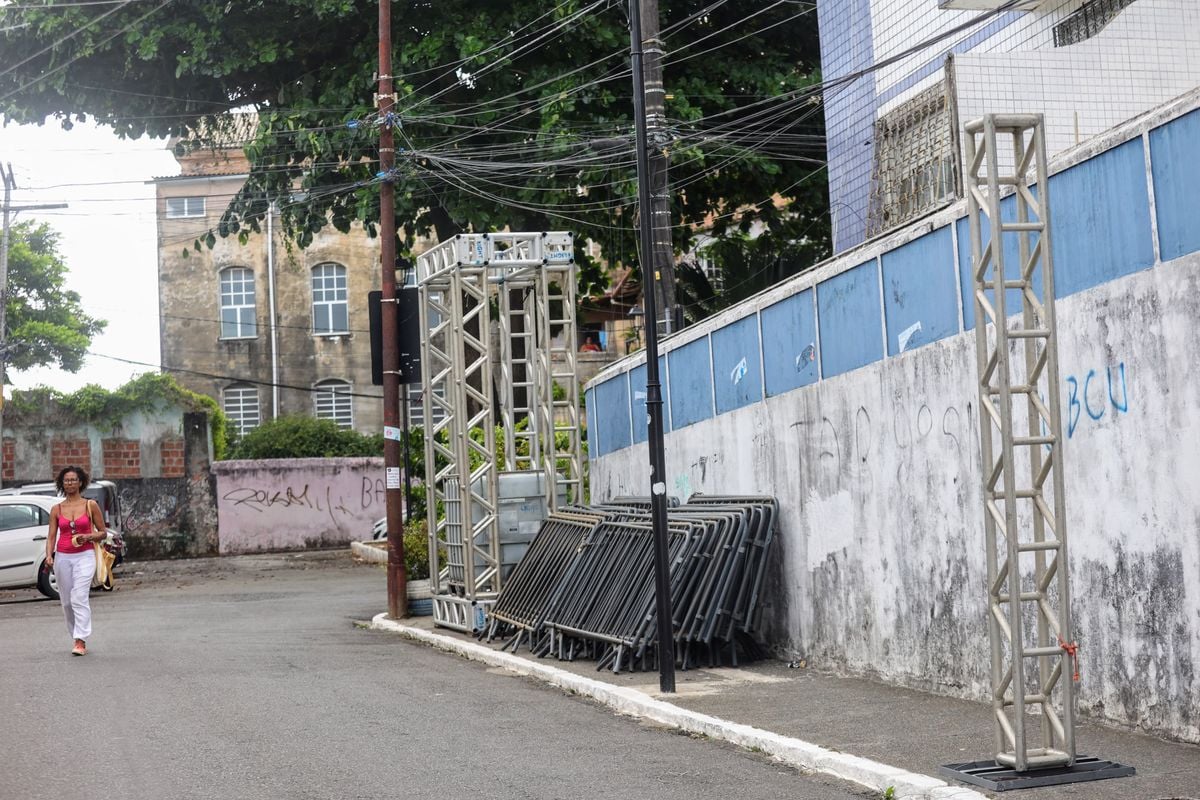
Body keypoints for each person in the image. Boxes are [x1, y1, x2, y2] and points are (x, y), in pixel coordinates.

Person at [44, 465, 107, 656]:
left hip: (85, 556)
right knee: (67, 602)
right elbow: (51, 536)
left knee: (79, 596)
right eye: (66, 480)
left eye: (73, 480)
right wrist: (49, 555)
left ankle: (81, 640)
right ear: (62, 484)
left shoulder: (90, 505)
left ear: (80, 482)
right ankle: (75, 635)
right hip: (63, 557)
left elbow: (103, 532)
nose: (70, 483)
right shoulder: (56, 509)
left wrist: (89, 537)